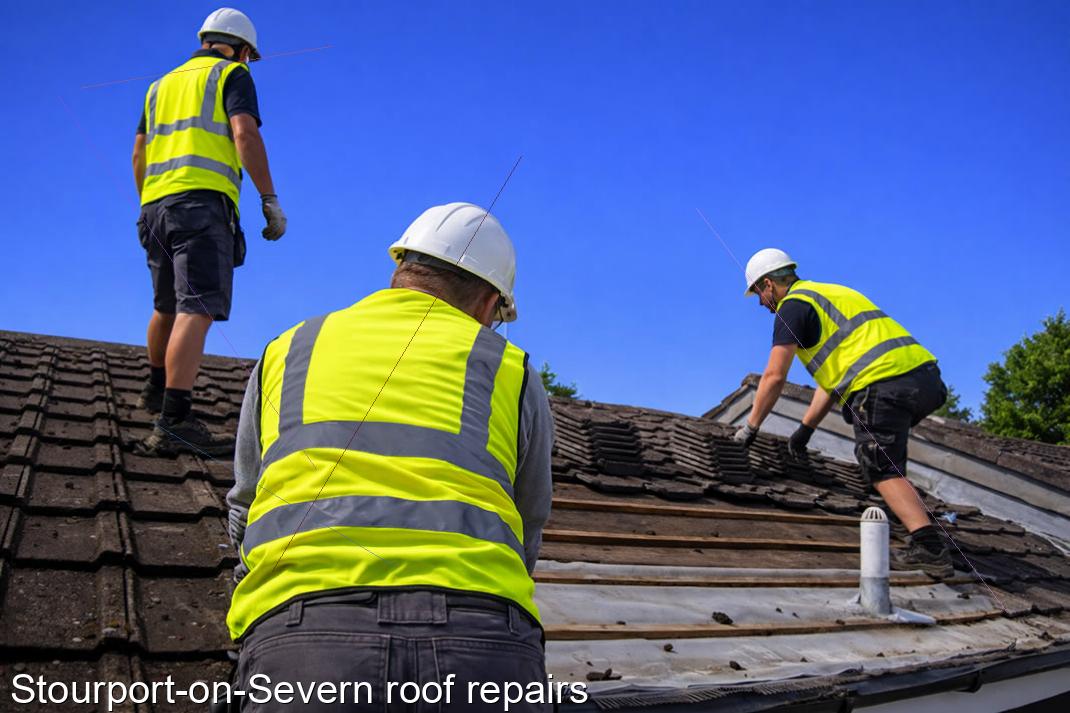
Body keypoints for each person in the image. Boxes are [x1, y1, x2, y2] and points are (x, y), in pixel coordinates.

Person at [225, 203, 554, 712]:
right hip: (485, 646)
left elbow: (246, 507)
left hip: (306, 642)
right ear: (490, 302)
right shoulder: (511, 368)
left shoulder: (289, 348)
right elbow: (528, 523)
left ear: (403, 269)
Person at [733, 248, 953, 578]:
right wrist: (806, 428)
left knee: (878, 463)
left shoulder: (791, 308)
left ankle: (929, 546)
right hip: (923, 380)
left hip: (882, 382)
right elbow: (835, 378)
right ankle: (910, 511)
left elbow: (774, 376)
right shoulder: (830, 293)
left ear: (768, 285)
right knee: (888, 454)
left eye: (759, 296)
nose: (761, 305)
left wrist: (750, 427)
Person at [132, 8, 287, 455]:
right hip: (201, 205)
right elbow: (244, 134)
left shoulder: (159, 85)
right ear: (241, 49)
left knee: (165, 305)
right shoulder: (231, 75)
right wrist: (269, 198)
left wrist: (148, 202)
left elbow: (139, 153)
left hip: (155, 205)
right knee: (194, 307)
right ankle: (174, 422)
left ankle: (156, 389)